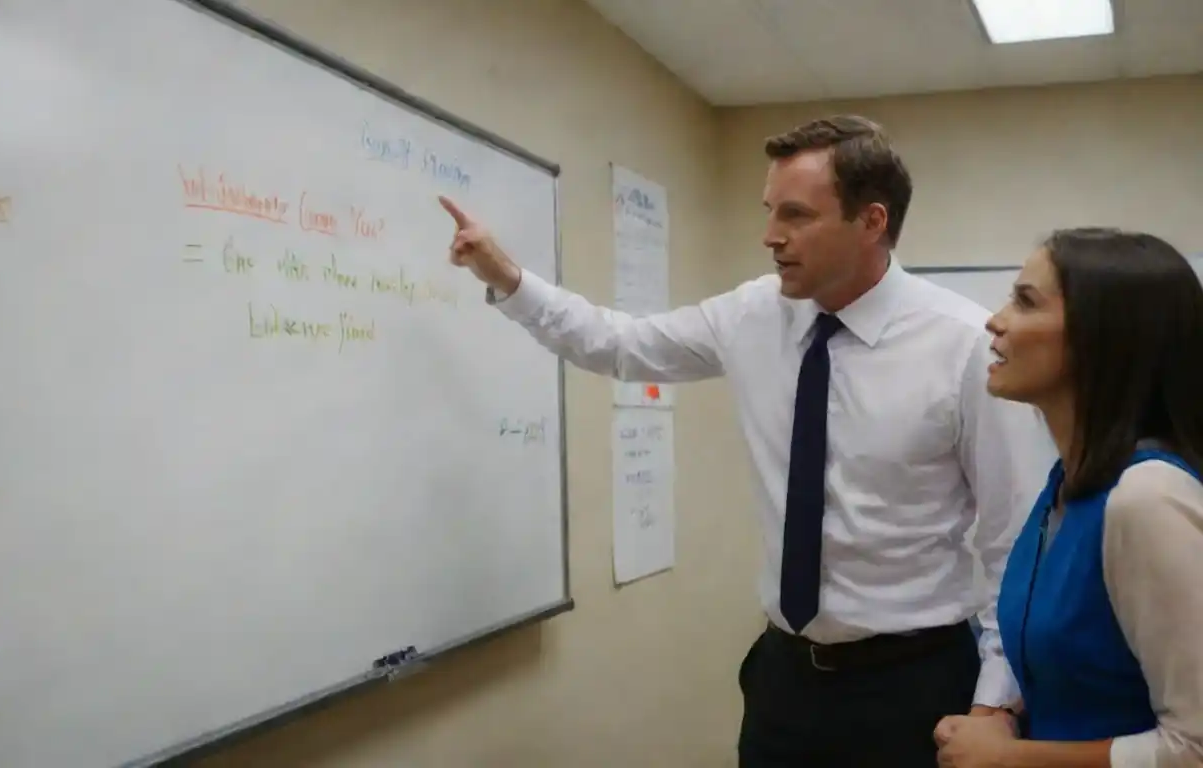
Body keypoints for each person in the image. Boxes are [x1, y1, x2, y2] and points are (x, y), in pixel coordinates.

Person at [440, 115, 1052, 766]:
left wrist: (993, 703)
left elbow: (1016, 540)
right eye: (769, 212)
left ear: (871, 222)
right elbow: (619, 345)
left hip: (916, 680)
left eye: (796, 215)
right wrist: (507, 277)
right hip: (784, 677)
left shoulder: (964, 347)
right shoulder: (753, 315)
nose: (770, 236)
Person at [933, 228, 1203, 767]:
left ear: (1101, 336)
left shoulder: (1146, 499)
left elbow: (1194, 747)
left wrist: (1014, 757)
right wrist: (1009, 716)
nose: (995, 319)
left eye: (1025, 301)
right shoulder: (1064, 485)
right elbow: (1087, 673)